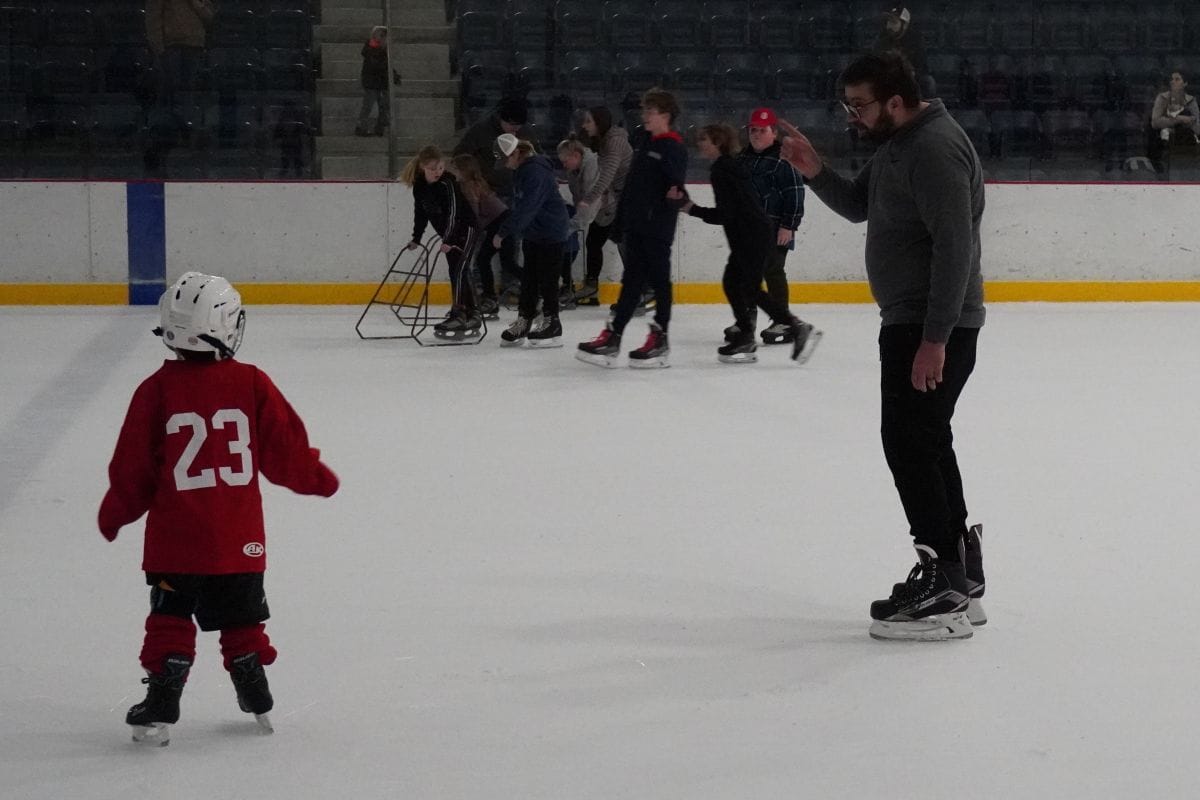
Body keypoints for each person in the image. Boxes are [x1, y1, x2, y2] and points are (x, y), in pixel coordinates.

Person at [778, 52, 986, 641]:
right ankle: (959, 575)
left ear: (897, 100)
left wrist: (935, 340)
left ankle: (943, 584)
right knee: (925, 438)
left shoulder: (935, 149)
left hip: (928, 325)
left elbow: (955, 250)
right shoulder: (899, 145)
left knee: (908, 442)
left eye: (861, 105)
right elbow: (858, 206)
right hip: (913, 321)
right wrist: (815, 170)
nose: (852, 116)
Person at [99, 272, 339, 744]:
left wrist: (116, 511)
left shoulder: (155, 390)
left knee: (169, 617)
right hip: (238, 539)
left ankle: (163, 696)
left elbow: (133, 468)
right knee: (241, 618)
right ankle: (254, 688)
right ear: (224, 327)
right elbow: (285, 452)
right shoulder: (251, 382)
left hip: (175, 541)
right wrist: (316, 478)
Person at [667, 124, 819, 365]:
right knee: (736, 284)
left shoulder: (722, 170)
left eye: (705, 139)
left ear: (718, 142)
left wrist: (691, 209)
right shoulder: (729, 165)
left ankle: (791, 326)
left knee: (746, 287)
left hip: (751, 236)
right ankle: (749, 332)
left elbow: (727, 213)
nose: (700, 143)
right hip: (752, 234)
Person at [576, 88, 687, 369]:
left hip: (657, 229)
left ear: (665, 115)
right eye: (644, 110)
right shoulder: (646, 142)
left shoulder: (673, 147)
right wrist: (621, 222)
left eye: (650, 111)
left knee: (659, 282)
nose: (644, 116)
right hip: (636, 226)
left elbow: (674, 188)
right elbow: (633, 187)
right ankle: (614, 336)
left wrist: (672, 199)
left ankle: (660, 339)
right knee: (631, 283)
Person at [737, 107, 820, 351]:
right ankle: (747, 320)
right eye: (753, 130)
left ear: (773, 133)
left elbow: (794, 193)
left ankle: (784, 321)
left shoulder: (784, 159)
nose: (756, 134)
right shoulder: (744, 158)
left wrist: (788, 225)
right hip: (749, 229)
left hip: (774, 228)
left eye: (762, 130)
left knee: (772, 271)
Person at [493, 134, 571, 348]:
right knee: (529, 280)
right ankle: (525, 320)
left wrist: (504, 232)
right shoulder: (523, 171)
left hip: (551, 231)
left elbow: (527, 208)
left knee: (547, 279)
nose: (506, 165)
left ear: (517, 153)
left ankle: (552, 322)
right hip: (534, 232)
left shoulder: (534, 171)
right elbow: (521, 207)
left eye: (506, 159)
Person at [454, 97, 534, 301]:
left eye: (518, 127)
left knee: (511, 240)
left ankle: (511, 285)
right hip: (487, 193)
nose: (514, 130)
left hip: (514, 194)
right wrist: (477, 178)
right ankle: (481, 285)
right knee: (483, 242)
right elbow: (460, 157)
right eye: (511, 125)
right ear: (501, 119)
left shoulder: (524, 134)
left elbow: (534, 157)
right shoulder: (480, 131)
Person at [401, 145, 482, 338]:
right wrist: (416, 238)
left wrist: (449, 239)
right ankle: (470, 312)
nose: (437, 172)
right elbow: (420, 213)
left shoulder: (448, 184)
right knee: (455, 270)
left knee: (459, 270)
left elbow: (454, 214)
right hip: (450, 234)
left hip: (466, 229)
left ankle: (461, 314)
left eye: (440, 168)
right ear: (422, 167)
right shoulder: (420, 186)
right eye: (432, 169)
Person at [572, 106, 634, 306]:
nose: (585, 125)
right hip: (617, 199)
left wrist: (588, 199)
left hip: (629, 200)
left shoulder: (614, 141)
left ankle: (639, 293)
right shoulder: (604, 141)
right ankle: (592, 286)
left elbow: (607, 175)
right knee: (595, 239)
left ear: (599, 122)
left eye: (588, 121)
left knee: (626, 245)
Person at [451, 153, 510, 318]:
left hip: (501, 223)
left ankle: (490, 299)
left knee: (489, 261)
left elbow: (474, 214)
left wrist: (467, 235)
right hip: (499, 222)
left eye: (455, 169)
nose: (452, 172)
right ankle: (490, 298)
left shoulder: (468, 186)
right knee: (486, 260)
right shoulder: (473, 183)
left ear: (464, 170)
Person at [556, 136, 600, 309]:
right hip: (595, 213)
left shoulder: (591, 166)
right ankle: (588, 287)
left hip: (609, 210)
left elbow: (591, 199)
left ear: (575, 155)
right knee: (593, 244)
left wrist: (574, 224)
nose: (564, 165)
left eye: (566, 161)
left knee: (597, 244)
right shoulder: (573, 171)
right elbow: (578, 198)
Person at [873, 6, 932, 99]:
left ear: (904, 24)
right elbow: (874, 63)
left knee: (928, 82)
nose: (889, 26)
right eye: (888, 22)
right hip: (886, 79)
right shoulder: (881, 39)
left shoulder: (916, 40)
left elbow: (921, 67)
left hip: (910, 80)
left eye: (893, 22)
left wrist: (909, 72)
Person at [355, 26, 389, 137]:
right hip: (371, 82)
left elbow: (385, 65)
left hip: (381, 81)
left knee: (383, 106)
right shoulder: (371, 48)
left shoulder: (384, 50)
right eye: (382, 36)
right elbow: (376, 65)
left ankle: (380, 127)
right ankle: (361, 127)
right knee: (368, 106)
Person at [1151, 71, 1200, 144]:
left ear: (1185, 83)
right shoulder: (1162, 98)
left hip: (1187, 144)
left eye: (1177, 79)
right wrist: (1179, 119)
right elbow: (1155, 122)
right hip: (1164, 144)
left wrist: (1189, 122)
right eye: (1172, 79)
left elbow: (1197, 128)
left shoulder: (1191, 101)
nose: (1172, 82)